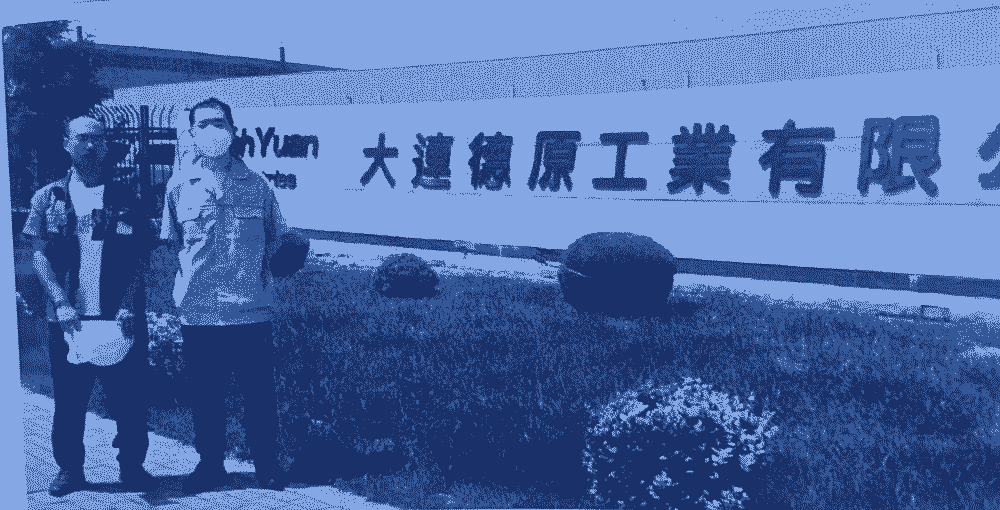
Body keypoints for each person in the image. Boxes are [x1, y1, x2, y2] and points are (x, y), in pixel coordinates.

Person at [159, 97, 307, 494]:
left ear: (233, 129)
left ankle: (267, 465)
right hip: (199, 312)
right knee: (206, 396)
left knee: (259, 395)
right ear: (191, 134)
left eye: (219, 122)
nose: (212, 130)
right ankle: (210, 466)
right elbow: (174, 245)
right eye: (203, 124)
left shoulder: (258, 185)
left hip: (250, 310)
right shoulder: (178, 186)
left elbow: (277, 239)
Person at [23, 115, 155, 496]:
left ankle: (132, 467)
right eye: (82, 138)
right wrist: (60, 301)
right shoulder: (48, 197)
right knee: (69, 401)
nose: (91, 146)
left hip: (120, 319)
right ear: (67, 144)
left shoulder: (127, 196)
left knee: (129, 400)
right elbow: (39, 254)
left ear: (107, 146)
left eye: (98, 139)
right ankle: (70, 470)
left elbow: (141, 258)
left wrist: (129, 304)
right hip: (69, 321)